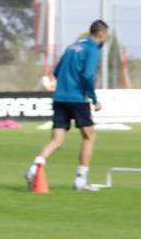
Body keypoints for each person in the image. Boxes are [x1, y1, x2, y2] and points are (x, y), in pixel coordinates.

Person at [26, 19, 110, 192]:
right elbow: (87, 74)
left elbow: (56, 72)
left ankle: (34, 168)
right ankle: (81, 179)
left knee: (57, 140)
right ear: (101, 34)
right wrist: (94, 98)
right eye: (106, 35)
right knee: (89, 137)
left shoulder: (73, 46)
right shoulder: (93, 49)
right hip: (77, 99)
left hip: (60, 98)